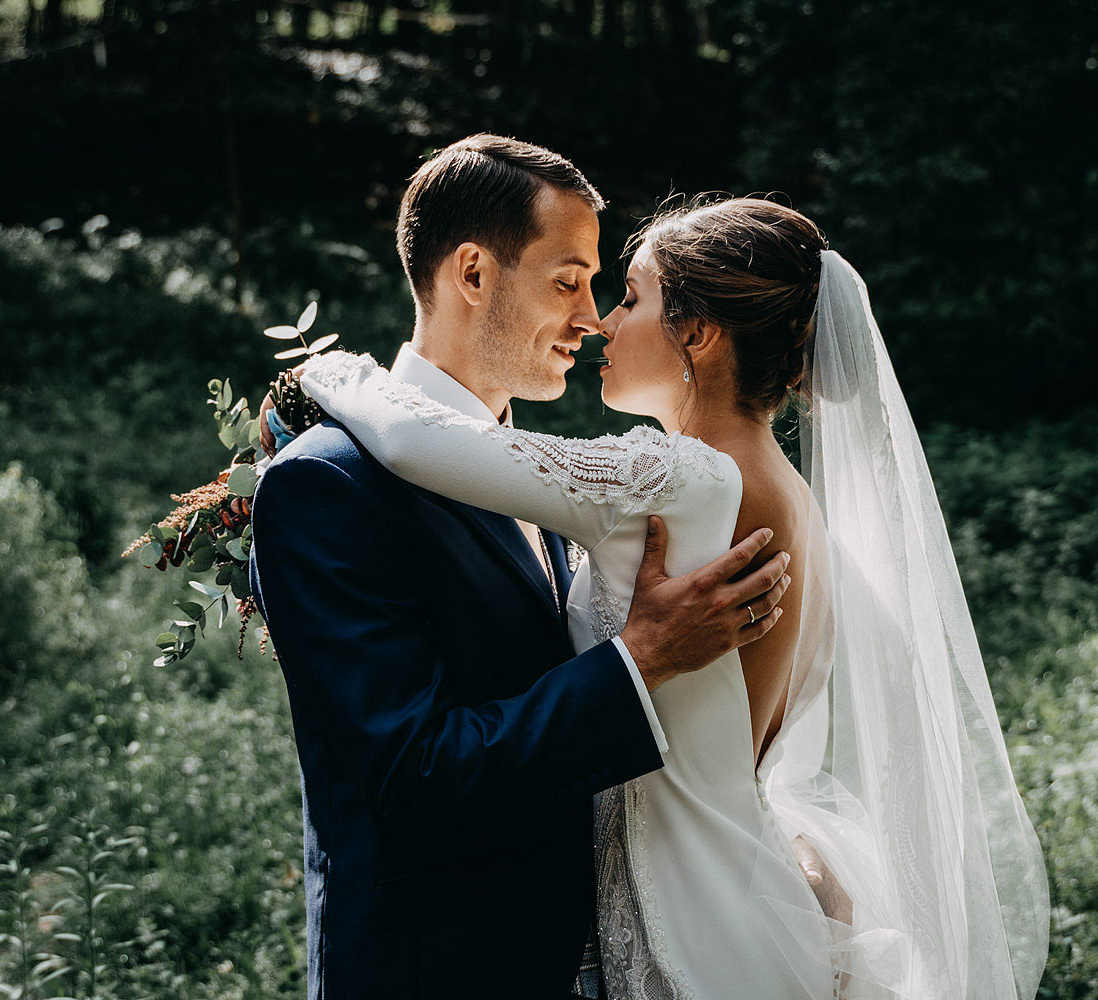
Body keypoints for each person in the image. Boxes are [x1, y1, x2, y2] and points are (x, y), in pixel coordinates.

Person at [297, 196, 1051, 998]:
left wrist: (329, 372)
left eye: (628, 297)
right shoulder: (796, 503)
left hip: (691, 932)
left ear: (696, 333)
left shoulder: (682, 482)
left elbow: (420, 442)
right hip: (745, 892)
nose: (603, 324)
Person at [247, 136, 794, 1000]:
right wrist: (639, 660)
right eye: (568, 280)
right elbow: (412, 778)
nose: (591, 316)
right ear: (473, 273)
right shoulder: (328, 482)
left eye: (603, 288)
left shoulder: (554, 479)